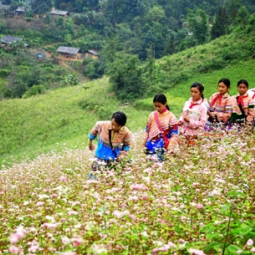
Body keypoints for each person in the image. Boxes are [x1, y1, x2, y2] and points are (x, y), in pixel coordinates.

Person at [88, 111, 132, 176]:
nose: (113, 127)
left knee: (111, 179)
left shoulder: (126, 133)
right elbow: (93, 132)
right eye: (112, 124)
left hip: (114, 159)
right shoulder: (102, 125)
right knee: (95, 177)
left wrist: (123, 154)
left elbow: (127, 145)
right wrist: (90, 143)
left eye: (117, 125)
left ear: (122, 125)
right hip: (100, 156)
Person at [142, 93, 179, 161]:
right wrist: (143, 144)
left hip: (163, 145)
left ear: (165, 104)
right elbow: (147, 131)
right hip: (150, 144)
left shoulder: (171, 117)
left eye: (159, 106)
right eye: (155, 106)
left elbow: (174, 134)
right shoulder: (152, 115)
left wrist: (171, 147)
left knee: (159, 163)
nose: (157, 108)